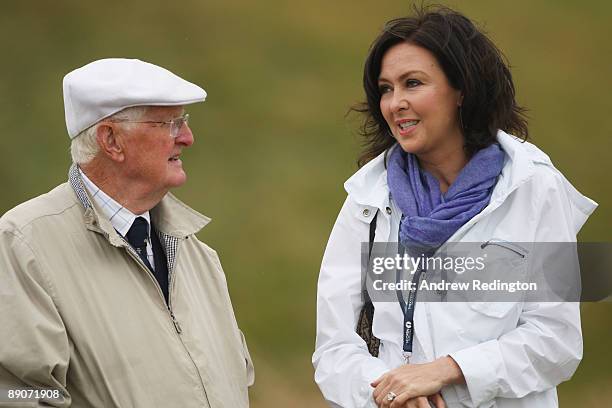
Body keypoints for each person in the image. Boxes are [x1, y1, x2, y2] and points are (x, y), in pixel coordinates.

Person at [313, 6, 597, 408]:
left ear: (463, 89)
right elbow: (333, 350)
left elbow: (556, 341)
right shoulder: (366, 200)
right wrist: (393, 392)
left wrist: (449, 370)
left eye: (413, 83)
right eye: (386, 88)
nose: (395, 103)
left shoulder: (534, 186)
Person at [0, 58, 254, 407]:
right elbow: (17, 394)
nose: (187, 138)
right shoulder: (23, 244)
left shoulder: (197, 253)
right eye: (170, 123)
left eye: (184, 121)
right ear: (111, 140)